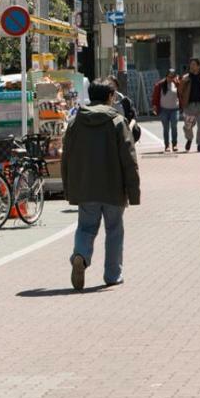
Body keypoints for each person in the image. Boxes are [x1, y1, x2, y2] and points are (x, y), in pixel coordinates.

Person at [61, 79, 141, 291]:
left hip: (86, 186)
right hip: (113, 186)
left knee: (86, 227)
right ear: (110, 97)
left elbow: (66, 156)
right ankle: (112, 274)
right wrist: (133, 191)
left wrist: (68, 186)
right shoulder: (117, 121)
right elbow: (128, 158)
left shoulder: (76, 121)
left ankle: (81, 255)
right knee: (114, 229)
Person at [151, 69, 182, 152]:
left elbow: (182, 94)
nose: (170, 78)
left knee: (174, 126)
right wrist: (154, 106)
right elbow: (155, 96)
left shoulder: (177, 84)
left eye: (172, 77)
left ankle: (174, 144)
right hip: (164, 110)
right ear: (166, 76)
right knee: (166, 128)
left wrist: (178, 82)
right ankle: (167, 145)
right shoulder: (160, 85)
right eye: (169, 76)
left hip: (174, 109)